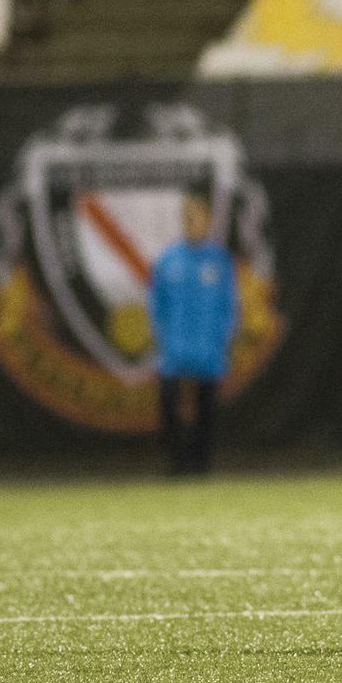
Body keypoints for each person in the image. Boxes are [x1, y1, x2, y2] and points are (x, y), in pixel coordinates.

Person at [149, 190, 239, 477]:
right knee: (169, 406)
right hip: (174, 350)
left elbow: (229, 304)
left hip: (208, 350)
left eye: (199, 217)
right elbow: (157, 303)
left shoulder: (219, 261)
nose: (193, 222)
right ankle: (176, 465)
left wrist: (224, 338)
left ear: (209, 220)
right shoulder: (168, 260)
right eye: (188, 217)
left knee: (206, 410)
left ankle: (201, 466)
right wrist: (162, 337)